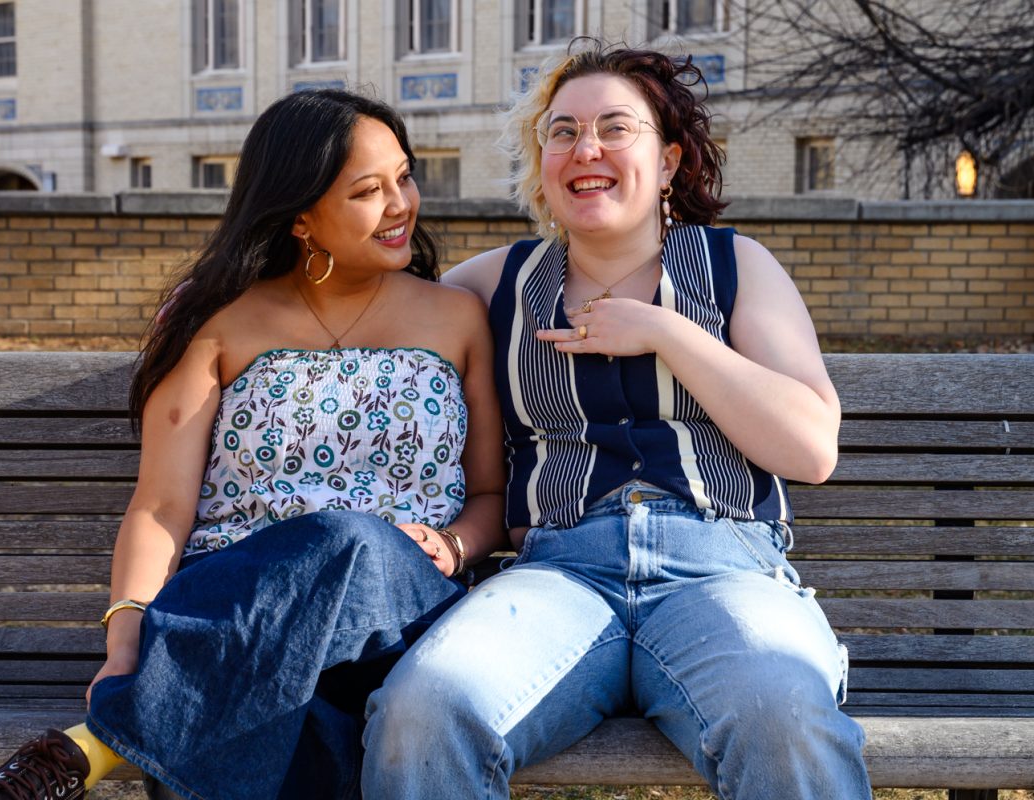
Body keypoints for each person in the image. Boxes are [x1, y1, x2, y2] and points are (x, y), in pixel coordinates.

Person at [361, 38, 871, 800]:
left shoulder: (735, 266)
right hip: (558, 579)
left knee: (783, 713)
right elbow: (355, 312)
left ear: (666, 162)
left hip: (723, 574)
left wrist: (667, 333)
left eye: (614, 128)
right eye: (561, 131)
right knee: (423, 709)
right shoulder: (497, 282)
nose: (584, 147)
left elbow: (810, 446)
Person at [0, 88, 504, 800]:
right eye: (369, 191)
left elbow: (493, 492)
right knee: (303, 727)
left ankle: (94, 747)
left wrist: (455, 546)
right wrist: (126, 639)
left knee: (354, 541)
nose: (402, 203)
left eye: (405, 177)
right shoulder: (217, 322)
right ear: (302, 217)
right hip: (234, 603)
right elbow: (160, 507)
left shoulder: (456, 317)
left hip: (400, 602)